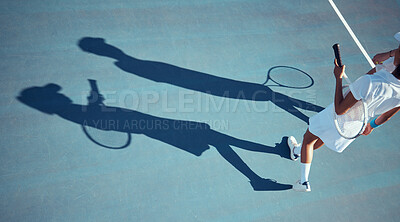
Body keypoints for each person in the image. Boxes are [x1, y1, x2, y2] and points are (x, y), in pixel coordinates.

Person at [288, 32, 400, 192]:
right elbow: (387, 115)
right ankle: (297, 152)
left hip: (339, 115)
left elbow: (340, 109)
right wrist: (372, 125)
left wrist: (338, 78)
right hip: (356, 125)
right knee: (324, 136)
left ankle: (303, 182)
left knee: (308, 138)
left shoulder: (369, 81)